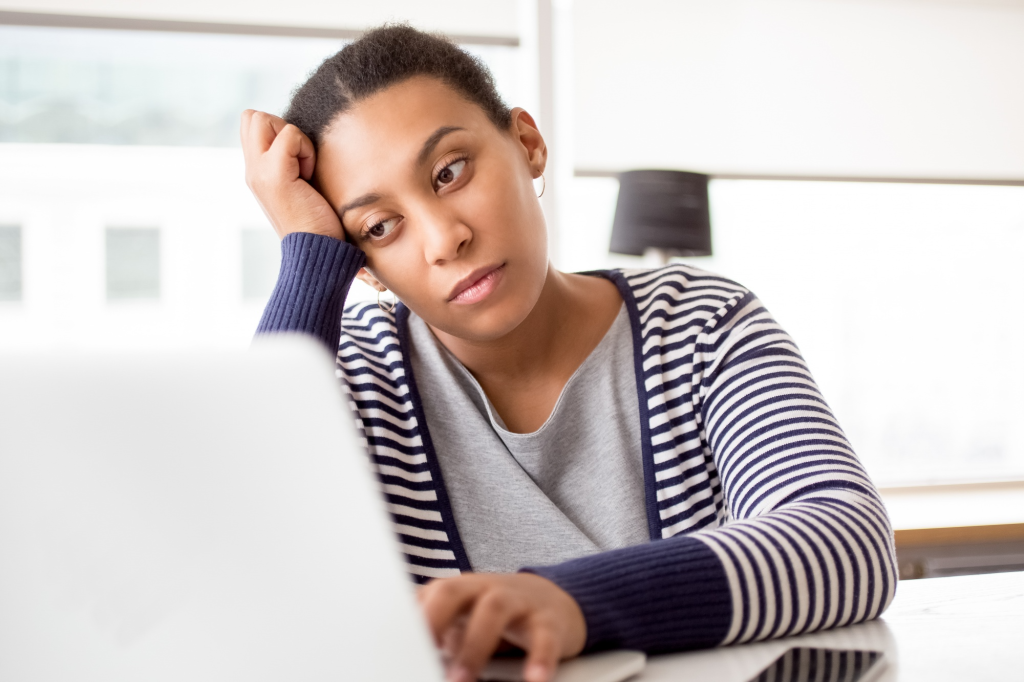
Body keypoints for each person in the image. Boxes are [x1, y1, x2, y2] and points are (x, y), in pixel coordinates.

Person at [243, 25, 897, 682]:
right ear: (365, 266)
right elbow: (242, 572)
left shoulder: (700, 323)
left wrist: (572, 601)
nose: (445, 239)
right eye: (379, 227)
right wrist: (307, 257)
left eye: (450, 172)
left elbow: (848, 542)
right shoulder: (351, 377)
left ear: (527, 143)